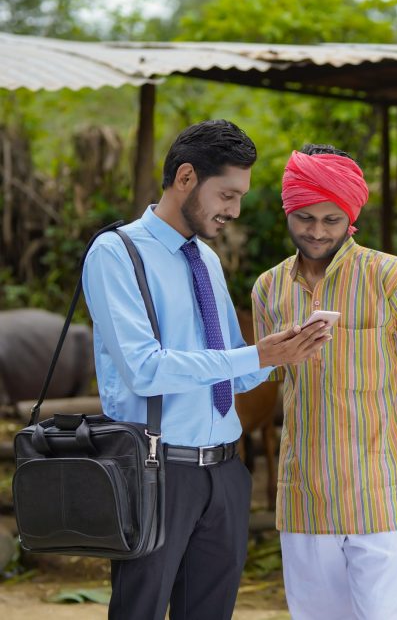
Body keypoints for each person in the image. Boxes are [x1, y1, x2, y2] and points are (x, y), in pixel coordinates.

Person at [82, 120, 331, 620]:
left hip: (224, 471)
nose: (233, 211)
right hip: (156, 468)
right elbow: (145, 370)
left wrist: (288, 350)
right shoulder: (116, 254)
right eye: (227, 195)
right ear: (186, 177)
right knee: (141, 611)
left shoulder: (207, 261)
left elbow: (233, 374)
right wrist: (257, 356)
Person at [251, 144, 397, 620]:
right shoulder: (269, 288)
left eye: (331, 219)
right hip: (304, 497)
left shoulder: (395, 279)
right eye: (305, 218)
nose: (317, 231)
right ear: (288, 212)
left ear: (351, 216)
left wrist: (373, 425)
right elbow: (279, 380)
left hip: (381, 493)